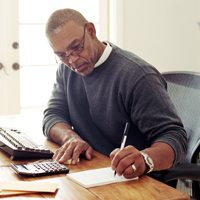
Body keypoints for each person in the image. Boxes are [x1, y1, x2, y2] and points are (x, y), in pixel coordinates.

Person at [43, 8, 187, 179]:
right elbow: (53, 115)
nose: (72, 60)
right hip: (90, 171)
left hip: (134, 180)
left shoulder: (137, 76)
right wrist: (70, 138)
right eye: (62, 55)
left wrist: (145, 158)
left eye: (76, 47)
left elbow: (175, 137)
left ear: (91, 31)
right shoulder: (66, 70)